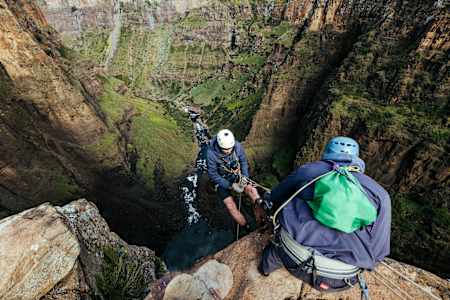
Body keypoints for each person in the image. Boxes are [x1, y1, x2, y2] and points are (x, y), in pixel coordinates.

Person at [259, 136, 391, 293]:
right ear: (356, 158)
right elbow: (379, 250)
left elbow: (276, 197)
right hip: (338, 280)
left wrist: (265, 200)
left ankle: (265, 270)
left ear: (328, 153)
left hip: (291, 256)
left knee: (274, 251)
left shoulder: (308, 171)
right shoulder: (380, 195)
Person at [206, 129, 262, 228]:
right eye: (225, 149)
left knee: (252, 191)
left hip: (236, 175)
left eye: (230, 148)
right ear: (219, 146)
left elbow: (243, 162)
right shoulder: (211, 154)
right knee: (230, 206)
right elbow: (213, 174)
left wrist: (244, 177)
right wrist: (230, 185)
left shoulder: (237, 146)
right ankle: (246, 227)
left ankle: (261, 219)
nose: (228, 151)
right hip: (222, 179)